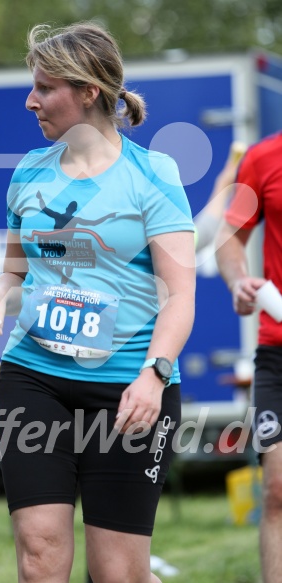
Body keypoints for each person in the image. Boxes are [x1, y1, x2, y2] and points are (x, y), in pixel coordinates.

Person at [0, 22, 195, 583]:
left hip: (130, 389)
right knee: (40, 557)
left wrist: (154, 376)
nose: (30, 100)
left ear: (88, 91)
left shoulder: (152, 175)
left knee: (118, 573)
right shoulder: (28, 174)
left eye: (44, 88)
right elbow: (16, 270)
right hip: (34, 378)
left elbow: (181, 293)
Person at [215, 131, 282, 583]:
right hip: (278, 348)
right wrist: (239, 281)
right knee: (277, 490)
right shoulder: (264, 157)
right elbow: (228, 238)